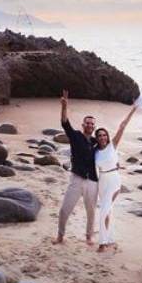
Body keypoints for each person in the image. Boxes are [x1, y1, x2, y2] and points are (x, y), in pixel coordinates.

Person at [55, 89, 98, 245]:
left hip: (93, 181)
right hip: (77, 178)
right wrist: (64, 106)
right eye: (87, 123)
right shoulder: (76, 136)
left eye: (92, 124)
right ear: (83, 124)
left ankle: (89, 237)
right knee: (64, 209)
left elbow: (107, 154)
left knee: (91, 212)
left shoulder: (96, 142)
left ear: (94, 126)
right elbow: (65, 123)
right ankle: (60, 236)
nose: (90, 125)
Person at [93, 105, 138, 252]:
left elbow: (122, 126)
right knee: (108, 210)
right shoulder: (95, 152)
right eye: (99, 136)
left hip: (114, 180)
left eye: (104, 134)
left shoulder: (113, 145)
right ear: (97, 138)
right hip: (102, 181)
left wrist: (133, 110)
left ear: (107, 136)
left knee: (103, 211)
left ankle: (102, 243)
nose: (102, 137)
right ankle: (110, 238)